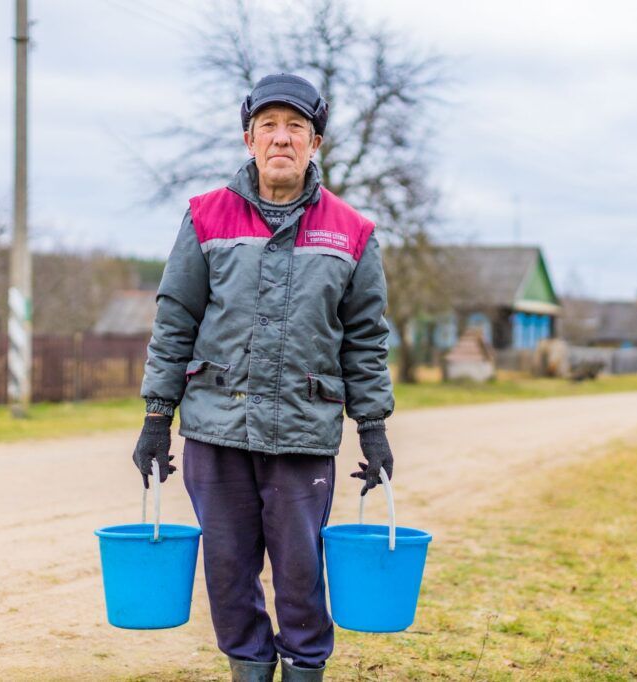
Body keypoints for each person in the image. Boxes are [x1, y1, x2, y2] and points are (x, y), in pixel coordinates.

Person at [132, 73, 396, 682]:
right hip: (216, 429)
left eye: (295, 127)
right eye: (268, 126)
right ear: (248, 139)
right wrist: (156, 418)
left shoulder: (352, 232)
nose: (282, 138)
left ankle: (304, 667)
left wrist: (373, 427)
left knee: (301, 574)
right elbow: (175, 321)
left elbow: (365, 339)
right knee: (227, 570)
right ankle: (248, 668)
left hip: (303, 432)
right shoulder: (205, 216)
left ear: (315, 142)